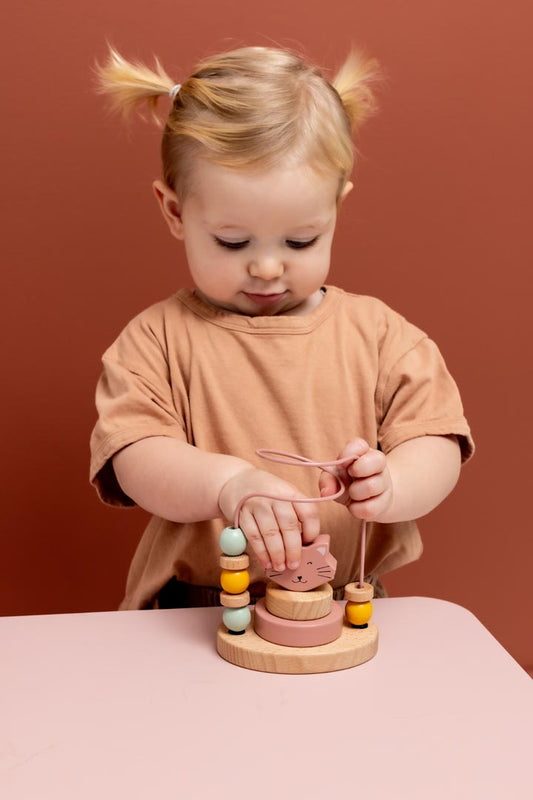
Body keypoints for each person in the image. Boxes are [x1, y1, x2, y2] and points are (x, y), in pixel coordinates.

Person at [90, 44, 474, 610]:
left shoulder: (383, 336)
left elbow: (436, 439)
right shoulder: (155, 341)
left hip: (346, 606)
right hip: (194, 608)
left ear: (336, 210)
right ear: (175, 211)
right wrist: (228, 485)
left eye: (300, 241)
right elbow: (136, 455)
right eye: (233, 241)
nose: (267, 267)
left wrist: (392, 484)